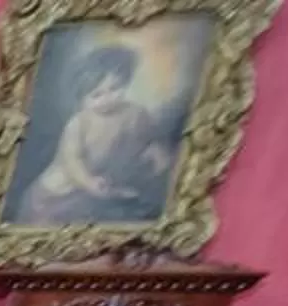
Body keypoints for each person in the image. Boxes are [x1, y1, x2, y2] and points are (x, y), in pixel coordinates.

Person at [10, 42, 176, 225]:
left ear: (126, 82)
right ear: (82, 98)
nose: (107, 98)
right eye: (96, 95)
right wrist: (89, 183)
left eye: (115, 88)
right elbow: (72, 162)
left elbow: (149, 139)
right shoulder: (79, 124)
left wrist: (157, 152)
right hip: (58, 193)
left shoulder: (135, 113)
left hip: (101, 186)